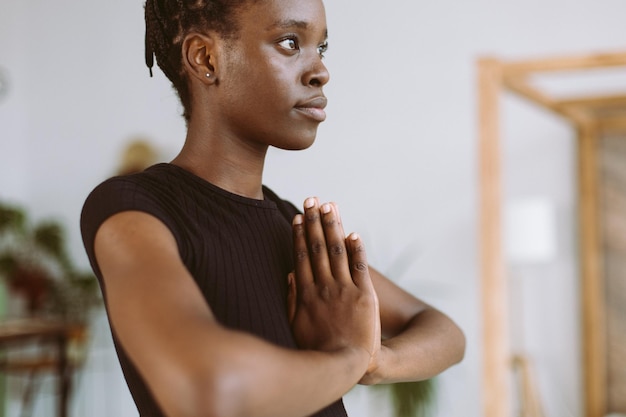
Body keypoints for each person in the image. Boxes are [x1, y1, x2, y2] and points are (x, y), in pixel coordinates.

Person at [80, 0, 466, 416]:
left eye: (322, 47)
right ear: (206, 58)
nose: (320, 71)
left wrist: (375, 360)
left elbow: (445, 332)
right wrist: (348, 358)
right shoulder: (133, 210)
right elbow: (208, 386)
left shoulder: (291, 225)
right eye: (289, 42)